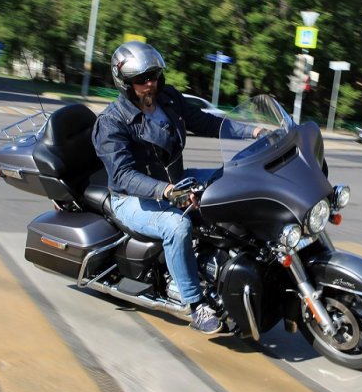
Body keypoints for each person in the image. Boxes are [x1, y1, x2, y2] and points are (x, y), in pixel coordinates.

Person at [92, 41, 258, 334]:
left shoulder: (168, 98)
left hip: (176, 180)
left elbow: (207, 123)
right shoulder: (112, 121)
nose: (150, 84)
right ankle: (195, 305)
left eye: (154, 75)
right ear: (125, 83)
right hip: (132, 198)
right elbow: (122, 176)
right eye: (141, 80)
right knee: (176, 227)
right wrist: (166, 192)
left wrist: (253, 132)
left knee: (235, 181)